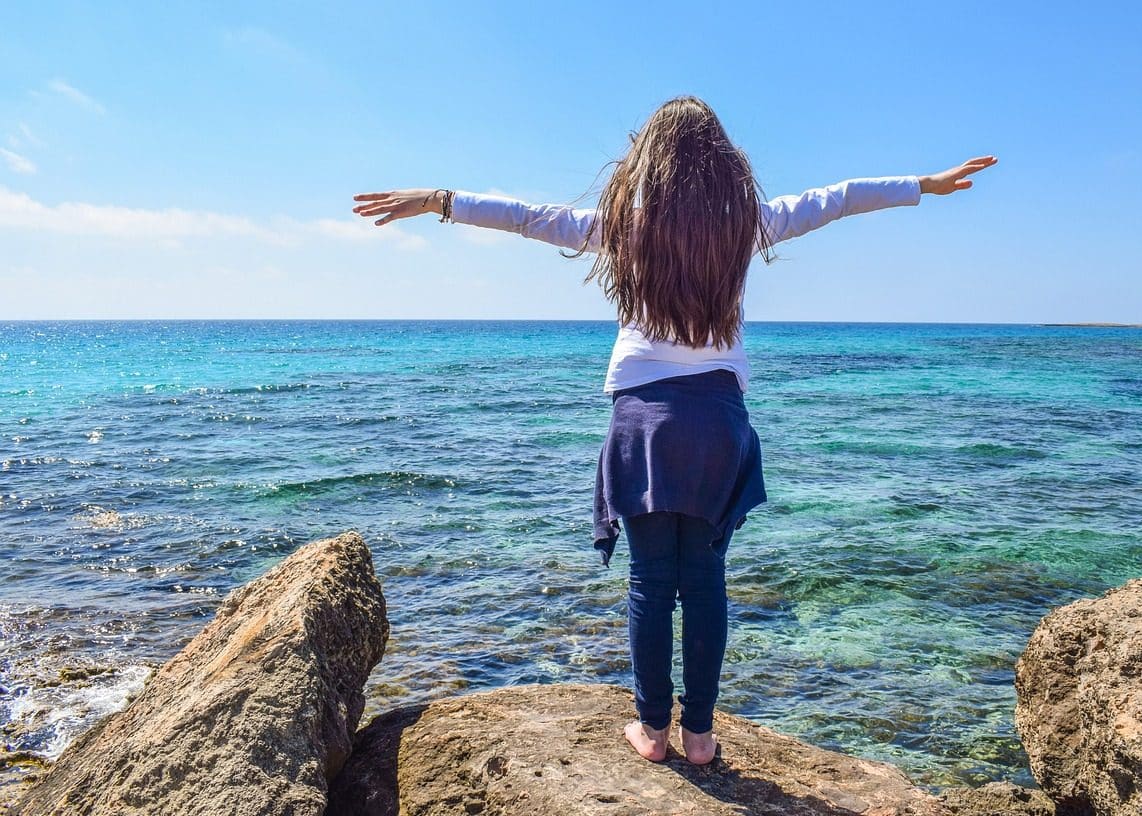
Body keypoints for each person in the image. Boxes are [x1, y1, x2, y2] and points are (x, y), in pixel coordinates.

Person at [353, 95, 995, 766]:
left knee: (652, 583)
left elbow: (526, 217)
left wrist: (441, 199)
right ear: (720, 164)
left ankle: (652, 733)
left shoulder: (625, 230)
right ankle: (701, 737)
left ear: (649, 161)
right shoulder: (746, 224)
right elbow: (836, 199)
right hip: (717, 420)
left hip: (645, 423)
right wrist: (925, 184)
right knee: (707, 578)